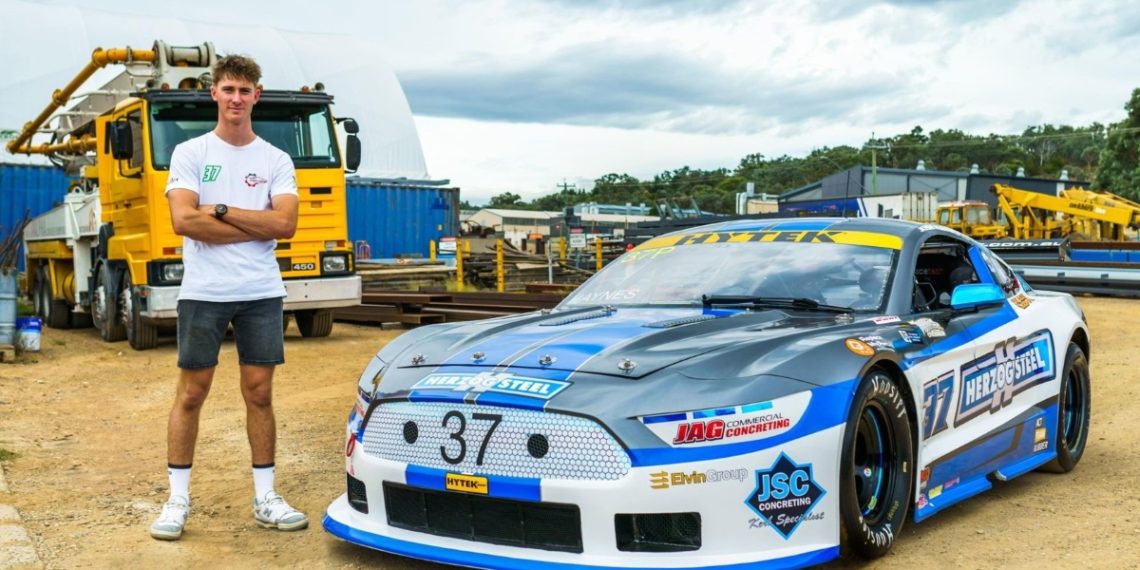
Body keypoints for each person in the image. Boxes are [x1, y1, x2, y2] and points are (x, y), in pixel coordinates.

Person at [150, 54, 305, 541]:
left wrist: (217, 211)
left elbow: (285, 225)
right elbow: (183, 221)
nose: (236, 98)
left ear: (257, 96)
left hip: (260, 292)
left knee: (259, 394)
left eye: (245, 90)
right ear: (214, 94)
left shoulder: (275, 160)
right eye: (228, 89)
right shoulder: (190, 153)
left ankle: (266, 497)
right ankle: (177, 500)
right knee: (192, 394)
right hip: (205, 293)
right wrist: (250, 224)